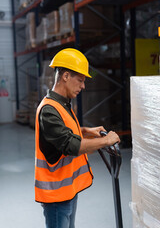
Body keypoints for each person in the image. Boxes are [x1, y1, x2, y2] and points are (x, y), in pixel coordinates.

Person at [35, 48, 120, 228]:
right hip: (57, 196)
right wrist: (107, 140)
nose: (83, 86)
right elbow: (70, 145)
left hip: (67, 191)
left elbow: (63, 133)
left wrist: (87, 131)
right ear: (65, 76)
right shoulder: (49, 109)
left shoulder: (61, 104)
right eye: (80, 80)